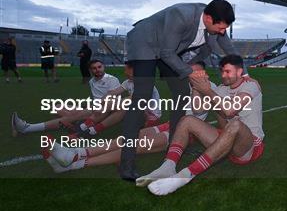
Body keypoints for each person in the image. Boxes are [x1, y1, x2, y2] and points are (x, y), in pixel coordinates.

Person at [120, 0, 250, 180]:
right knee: (143, 94)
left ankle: (174, 147)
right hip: (146, 43)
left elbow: (230, 49)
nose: (222, 32)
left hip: (168, 50)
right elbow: (166, 52)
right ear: (208, 18)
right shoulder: (181, 15)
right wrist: (190, 72)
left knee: (181, 93)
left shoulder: (216, 20)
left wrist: (245, 76)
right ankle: (127, 162)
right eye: (220, 28)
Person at [43, 62, 218, 173]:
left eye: (196, 74)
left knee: (136, 146)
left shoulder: (210, 88)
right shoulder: (183, 85)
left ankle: (74, 163)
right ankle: (75, 153)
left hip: (188, 133)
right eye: (190, 73)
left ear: (204, 74)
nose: (192, 77)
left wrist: (198, 88)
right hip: (171, 124)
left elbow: (196, 110)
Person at [136, 55, 263, 196]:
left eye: (228, 71)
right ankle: (168, 166)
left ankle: (186, 174)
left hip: (248, 146)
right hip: (224, 144)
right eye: (222, 71)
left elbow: (230, 110)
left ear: (240, 72)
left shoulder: (250, 85)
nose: (223, 75)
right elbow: (197, 109)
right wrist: (197, 87)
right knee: (187, 120)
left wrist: (208, 91)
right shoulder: (221, 89)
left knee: (236, 124)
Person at [11, 59, 121, 136]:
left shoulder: (112, 79)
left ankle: (28, 128)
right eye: (94, 68)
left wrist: (94, 107)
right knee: (57, 107)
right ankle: (76, 125)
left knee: (68, 118)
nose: (97, 70)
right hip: (93, 108)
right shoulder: (92, 81)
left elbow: (112, 99)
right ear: (90, 70)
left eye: (99, 67)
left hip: (104, 111)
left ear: (103, 67)